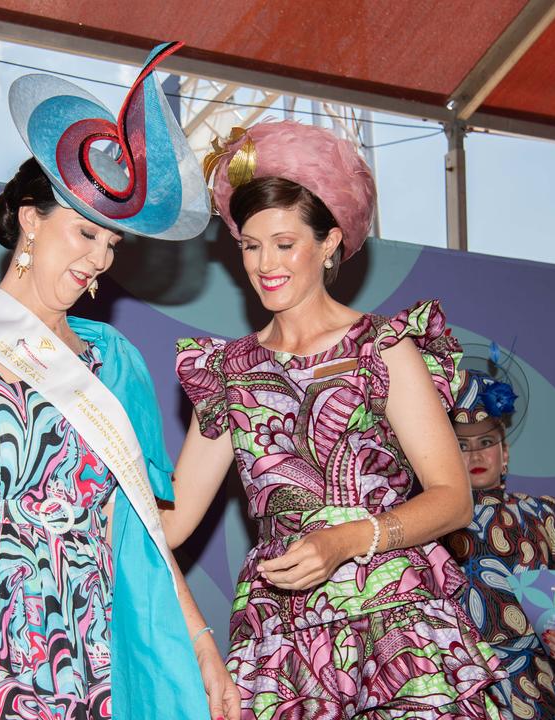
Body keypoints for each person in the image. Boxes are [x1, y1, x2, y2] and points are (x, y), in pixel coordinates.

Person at [0, 42, 238, 720]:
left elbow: (137, 529)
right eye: (86, 234)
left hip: (83, 652)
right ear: (31, 219)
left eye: (113, 245)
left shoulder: (110, 365)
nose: (100, 259)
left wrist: (201, 642)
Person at [167, 120, 503, 719]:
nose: (264, 263)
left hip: (398, 624)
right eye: (249, 244)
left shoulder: (382, 347)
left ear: (328, 244)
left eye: (284, 243)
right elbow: (172, 521)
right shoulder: (228, 373)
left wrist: (347, 540)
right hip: (282, 637)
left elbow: (454, 500)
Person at [441, 365, 555, 719]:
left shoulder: (547, 517)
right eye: (461, 445)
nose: (476, 455)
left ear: (504, 453)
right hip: (458, 691)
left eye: (486, 443)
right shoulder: (426, 525)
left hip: (534, 690)